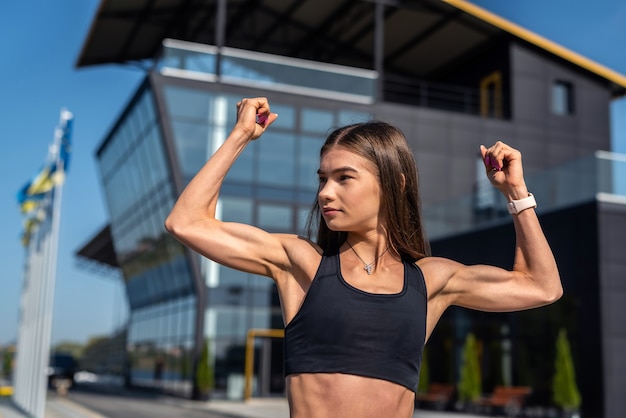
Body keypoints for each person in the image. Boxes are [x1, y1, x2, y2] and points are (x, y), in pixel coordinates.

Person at [165, 97, 562, 418]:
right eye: (322, 179)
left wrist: (516, 193)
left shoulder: (429, 281)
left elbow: (541, 287)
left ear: (394, 184)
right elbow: (187, 222)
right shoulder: (301, 264)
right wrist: (240, 136)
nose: (325, 193)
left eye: (343, 178)